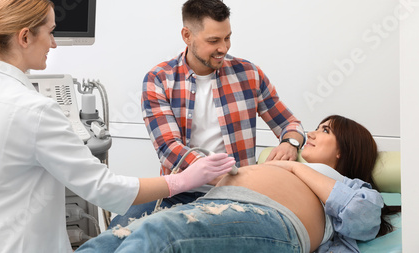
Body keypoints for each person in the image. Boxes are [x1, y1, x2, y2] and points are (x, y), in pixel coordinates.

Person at [0, 0, 236, 253]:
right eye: (51, 32)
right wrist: (182, 180)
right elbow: (103, 188)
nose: (53, 43)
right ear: (25, 37)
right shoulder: (34, 110)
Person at [110, 0, 305, 227]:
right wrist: (216, 173)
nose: (223, 48)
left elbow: (289, 124)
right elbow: (168, 147)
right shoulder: (158, 79)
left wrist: (290, 143)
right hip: (180, 192)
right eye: (213, 41)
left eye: (228, 38)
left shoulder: (249, 74)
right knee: (119, 230)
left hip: (240, 194)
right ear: (186, 36)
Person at [77, 115, 397, 252]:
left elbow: (362, 220)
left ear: (345, 149)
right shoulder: (283, 161)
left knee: (159, 235)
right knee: (111, 240)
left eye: (325, 131)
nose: (311, 133)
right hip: (217, 206)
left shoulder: (355, 188)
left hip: (274, 220)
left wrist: (297, 170)